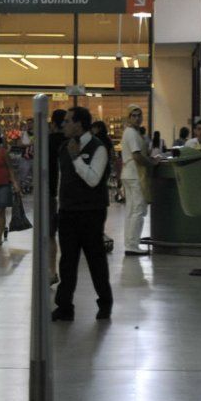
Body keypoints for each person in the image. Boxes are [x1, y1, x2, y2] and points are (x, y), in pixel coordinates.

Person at [53, 106, 114, 322]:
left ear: (79, 124)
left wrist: (76, 158)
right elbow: (63, 180)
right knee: (67, 260)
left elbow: (93, 180)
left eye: (68, 121)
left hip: (91, 212)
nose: (64, 124)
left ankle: (105, 303)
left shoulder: (99, 148)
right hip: (67, 212)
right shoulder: (63, 148)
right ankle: (64, 306)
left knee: (95, 259)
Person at [120, 105, 159, 256]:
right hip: (135, 175)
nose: (137, 118)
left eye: (139, 115)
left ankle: (130, 242)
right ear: (128, 117)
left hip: (129, 174)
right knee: (138, 210)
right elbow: (137, 156)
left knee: (131, 210)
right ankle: (133, 245)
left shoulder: (132, 133)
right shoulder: (131, 133)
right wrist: (152, 162)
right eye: (133, 115)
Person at [47, 109, 67, 284]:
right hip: (71, 196)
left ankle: (52, 271)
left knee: (50, 234)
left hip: (50, 194)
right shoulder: (73, 142)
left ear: (53, 124)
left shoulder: (48, 142)